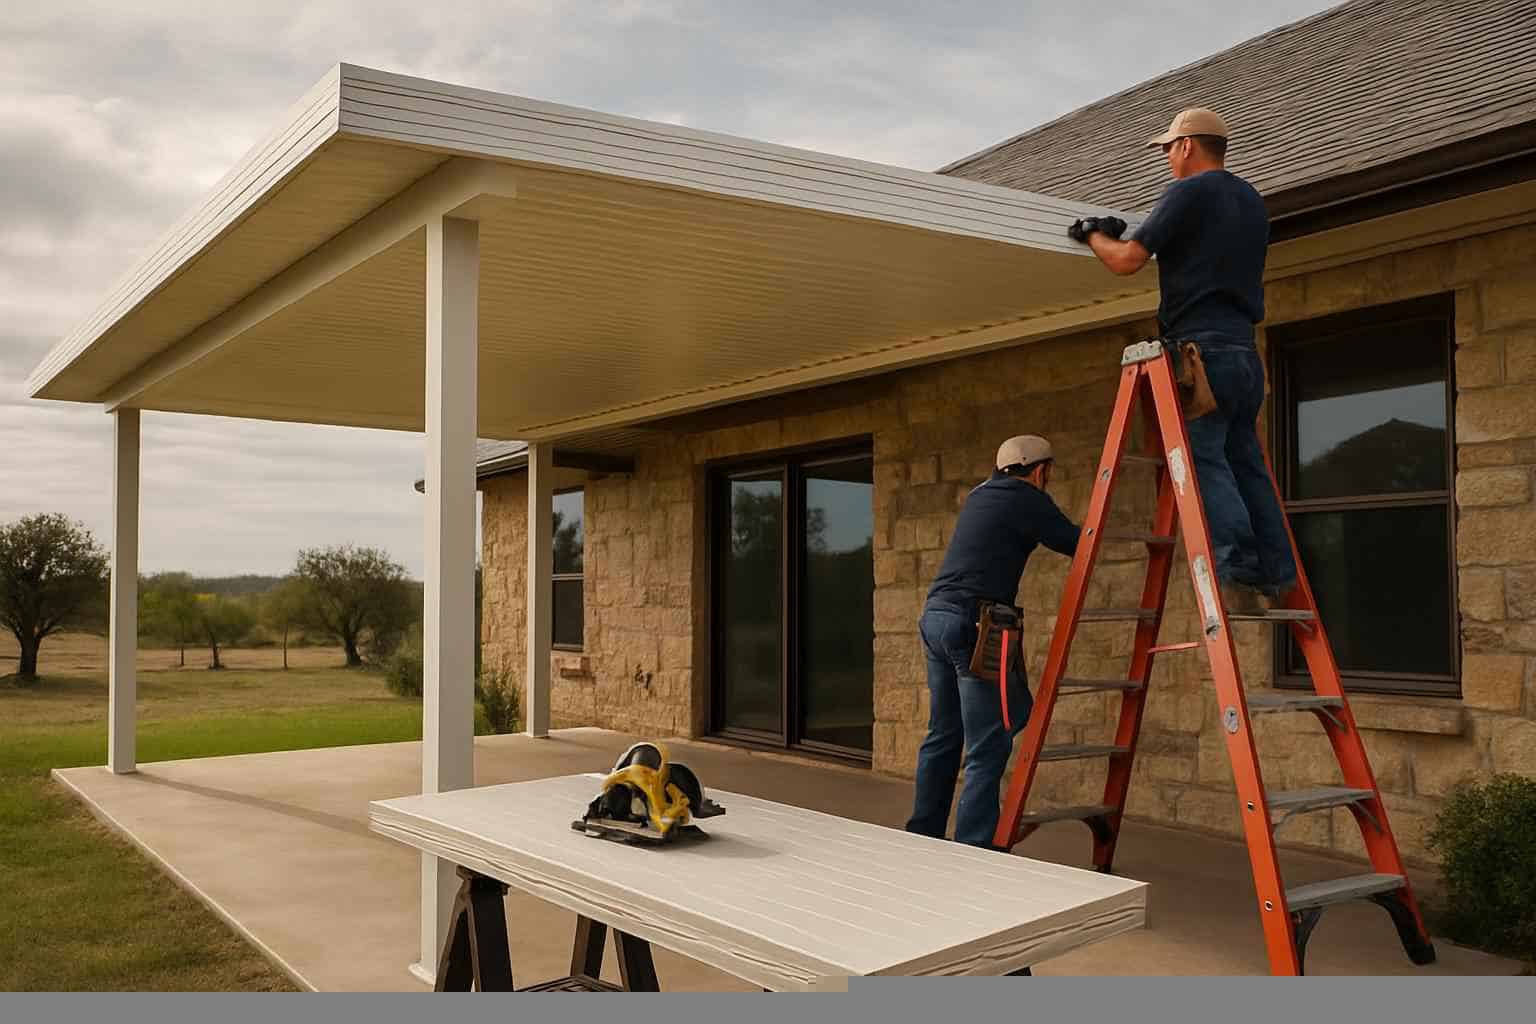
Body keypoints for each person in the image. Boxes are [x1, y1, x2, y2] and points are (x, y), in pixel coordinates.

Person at [1068, 107, 1297, 609]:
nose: (1168, 158)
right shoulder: (1251, 200)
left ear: (1188, 146)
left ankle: (1233, 571)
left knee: (1203, 457)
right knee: (1247, 461)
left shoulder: (1189, 191)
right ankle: (1278, 575)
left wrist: (1092, 233)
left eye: (1169, 148)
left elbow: (1127, 261)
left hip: (1200, 353)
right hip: (1242, 352)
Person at [905, 435, 1080, 850]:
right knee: (988, 741)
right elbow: (1076, 543)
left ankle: (920, 836)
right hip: (974, 623)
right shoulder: (1027, 497)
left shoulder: (980, 495)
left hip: (936, 617)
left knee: (944, 733)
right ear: (1041, 471)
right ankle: (975, 849)